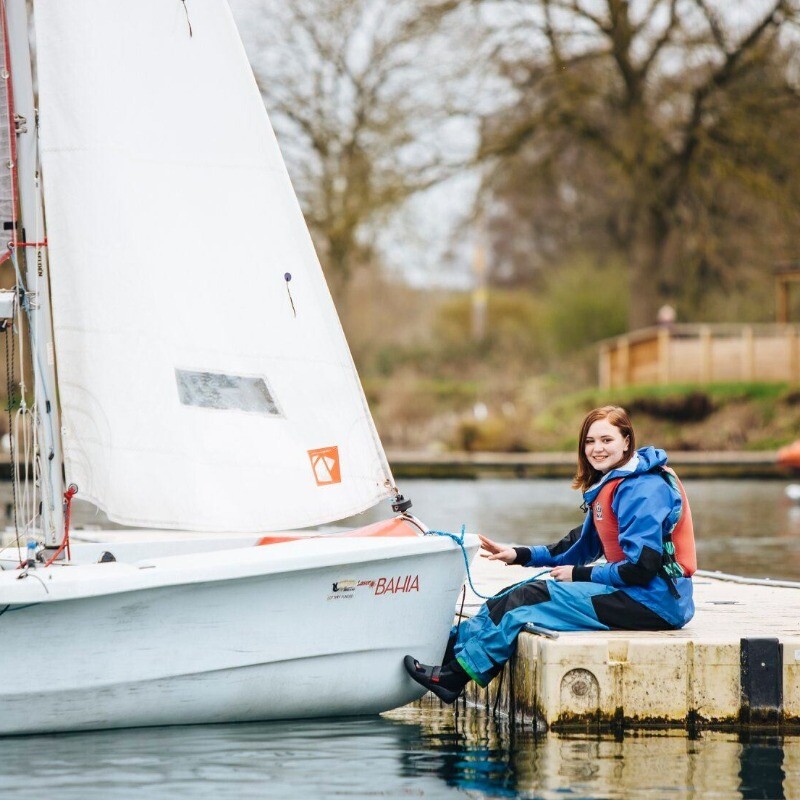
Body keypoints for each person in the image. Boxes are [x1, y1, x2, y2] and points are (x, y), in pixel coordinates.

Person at [403, 405, 696, 703]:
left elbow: (642, 567)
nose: (597, 449)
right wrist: (518, 554)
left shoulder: (644, 489)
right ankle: (446, 654)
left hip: (656, 603)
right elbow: (577, 547)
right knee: (509, 595)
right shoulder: (615, 483)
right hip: (635, 593)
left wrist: (578, 574)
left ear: (626, 441)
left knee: (529, 600)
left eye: (607, 440)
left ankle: (453, 679)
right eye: (590, 441)